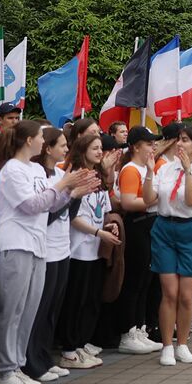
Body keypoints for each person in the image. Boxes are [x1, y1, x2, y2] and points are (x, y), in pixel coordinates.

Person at [0, 121, 94, 384]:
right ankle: (4, 370)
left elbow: (50, 206)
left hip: (37, 245)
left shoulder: (35, 169)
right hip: (15, 244)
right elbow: (30, 205)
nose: (41, 141)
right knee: (10, 310)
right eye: (38, 137)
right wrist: (63, 184)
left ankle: (18, 365)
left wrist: (70, 191)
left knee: (28, 310)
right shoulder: (11, 169)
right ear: (28, 141)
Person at [150, 125, 192, 366]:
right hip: (165, 228)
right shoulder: (165, 169)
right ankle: (167, 346)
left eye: (185, 140)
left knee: (186, 296)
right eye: (179, 140)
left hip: (191, 231)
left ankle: (183, 344)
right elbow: (150, 198)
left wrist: (188, 171)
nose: (180, 144)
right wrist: (149, 172)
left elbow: (191, 200)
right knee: (169, 292)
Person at [57, 132, 119, 369]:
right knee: (76, 300)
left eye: (100, 148)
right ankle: (69, 349)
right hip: (78, 249)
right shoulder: (76, 177)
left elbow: (101, 211)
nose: (99, 152)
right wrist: (97, 232)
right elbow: (73, 218)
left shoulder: (99, 177)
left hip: (96, 250)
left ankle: (81, 343)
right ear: (82, 150)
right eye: (94, 148)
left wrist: (107, 225)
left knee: (91, 299)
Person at [108, 126, 161, 355]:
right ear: (136, 146)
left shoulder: (146, 168)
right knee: (135, 280)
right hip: (138, 224)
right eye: (149, 143)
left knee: (145, 280)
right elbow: (129, 202)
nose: (153, 147)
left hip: (149, 223)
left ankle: (139, 327)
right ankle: (127, 331)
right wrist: (156, 200)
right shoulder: (131, 170)